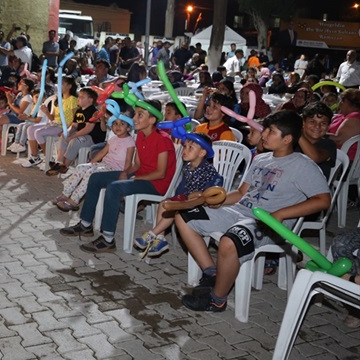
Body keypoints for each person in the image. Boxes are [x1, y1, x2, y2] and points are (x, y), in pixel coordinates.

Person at [177, 110, 330, 313]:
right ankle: (212, 272)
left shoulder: (303, 166)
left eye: (270, 131)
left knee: (229, 242)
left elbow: (323, 200)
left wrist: (282, 214)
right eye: (265, 129)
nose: (264, 134)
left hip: (269, 224)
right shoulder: (261, 159)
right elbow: (241, 193)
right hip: (240, 212)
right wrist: (218, 201)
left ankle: (217, 300)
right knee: (183, 214)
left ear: (287, 139)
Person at [60, 99, 176, 253]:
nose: (135, 118)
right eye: (136, 114)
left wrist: (134, 178)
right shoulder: (141, 136)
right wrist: (126, 172)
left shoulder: (162, 140)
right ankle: (85, 224)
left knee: (113, 188)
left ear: (152, 120)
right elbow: (137, 164)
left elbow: (161, 172)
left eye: (140, 115)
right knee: (95, 178)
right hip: (141, 176)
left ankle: (108, 239)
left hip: (157, 184)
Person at [134, 134, 222, 258]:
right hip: (185, 201)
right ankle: (160, 238)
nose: (185, 151)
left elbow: (216, 186)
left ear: (202, 153)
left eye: (190, 148)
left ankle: (152, 234)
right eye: (185, 147)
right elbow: (182, 188)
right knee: (164, 204)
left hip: (200, 206)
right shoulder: (187, 167)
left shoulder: (208, 170)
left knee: (174, 207)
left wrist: (201, 195)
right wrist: (176, 199)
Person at [53, 111, 135, 212]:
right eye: (115, 123)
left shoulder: (130, 142)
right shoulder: (113, 139)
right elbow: (102, 153)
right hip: (104, 165)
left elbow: (128, 160)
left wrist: (124, 174)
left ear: (128, 128)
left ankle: (74, 200)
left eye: (122, 124)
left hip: (115, 169)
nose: (118, 126)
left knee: (90, 173)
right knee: (81, 167)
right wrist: (91, 162)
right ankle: (65, 194)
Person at [23, 76, 79, 168]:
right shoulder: (58, 99)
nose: (59, 85)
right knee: (30, 129)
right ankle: (35, 157)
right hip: (54, 124)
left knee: (38, 133)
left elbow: (75, 118)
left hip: (63, 126)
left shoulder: (73, 100)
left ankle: (49, 158)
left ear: (69, 86)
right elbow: (52, 117)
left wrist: (68, 130)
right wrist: (46, 112)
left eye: (62, 83)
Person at [46, 87, 102, 176]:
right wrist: (68, 132)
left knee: (74, 141)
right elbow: (74, 125)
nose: (79, 98)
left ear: (90, 100)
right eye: (79, 96)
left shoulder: (93, 111)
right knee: (64, 136)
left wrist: (72, 136)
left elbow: (88, 129)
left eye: (82, 97)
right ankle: (59, 162)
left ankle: (65, 166)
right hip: (81, 134)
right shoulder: (79, 111)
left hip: (91, 137)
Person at [0, 78, 34, 150]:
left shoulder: (28, 98)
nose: (18, 84)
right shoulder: (20, 94)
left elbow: (20, 111)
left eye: (20, 83)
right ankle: (1, 140)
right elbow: (13, 105)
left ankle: (2, 141)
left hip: (20, 117)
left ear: (26, 86)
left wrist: (10, 103)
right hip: (13, 114)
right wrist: (9, 97)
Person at [298, 102, 336, 178]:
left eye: (323, 123)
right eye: (312, 122)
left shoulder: (328, 144)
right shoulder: (292, 141)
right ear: (303, 123)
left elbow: (315, 157)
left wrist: (296, 132)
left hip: (312, 187)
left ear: (328, 127)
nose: (317, 126)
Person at [329, 88, 360, 160]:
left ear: (351, 103)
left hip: (343, 161)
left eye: (343, 100)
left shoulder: (356, 117)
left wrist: (316, 136)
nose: (340, 103)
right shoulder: (339, 116)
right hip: (330, 155)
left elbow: (339, 140)